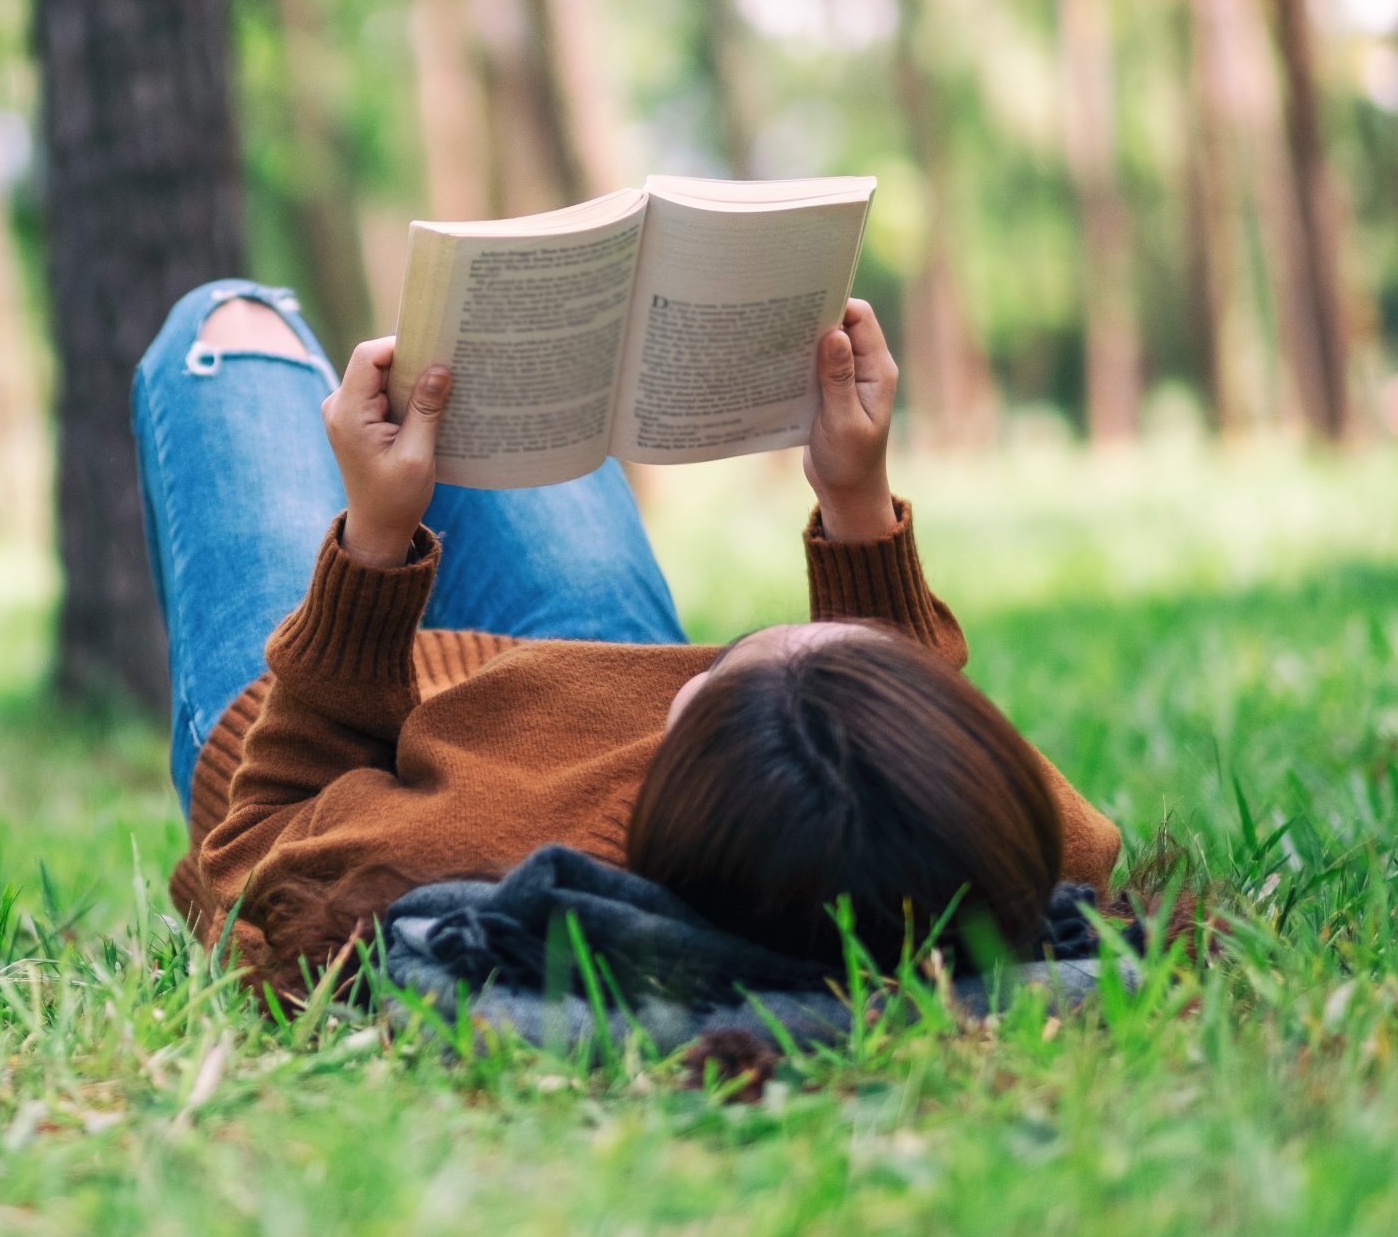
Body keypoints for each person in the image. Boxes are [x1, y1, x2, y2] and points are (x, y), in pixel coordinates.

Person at [135, 280, 1121, 1002]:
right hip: (581, 669)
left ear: (685, 763)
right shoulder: (991, 846)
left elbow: (253, 861)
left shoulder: (469, 856)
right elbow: (896, 747)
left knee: (228, 322)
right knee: (496, 360)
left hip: (320, 722)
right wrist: (853, 501)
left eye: (722, 668)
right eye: (841, 648)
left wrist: (372, 547)